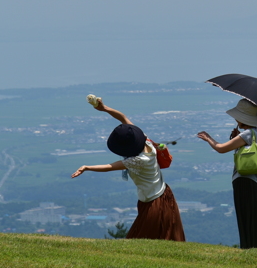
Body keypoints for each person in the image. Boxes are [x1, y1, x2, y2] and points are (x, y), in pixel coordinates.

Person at [71, 95, 185, 241]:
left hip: (154, 200)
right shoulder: (146, 141)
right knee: (163, 232)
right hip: (161, 194)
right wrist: (104, 108)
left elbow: (110, 167)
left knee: (145, 233)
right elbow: (123, 117)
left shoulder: (139, 160)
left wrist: (87, 167)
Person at [197, 98, 257, 249]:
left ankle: (249, 246)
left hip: (243, 180)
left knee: (245, 214)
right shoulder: (256, 133)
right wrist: (236, 137)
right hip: (254, 180)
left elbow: (221, 148)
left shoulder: (246, 135)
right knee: (255, 215)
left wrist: (208, 138)